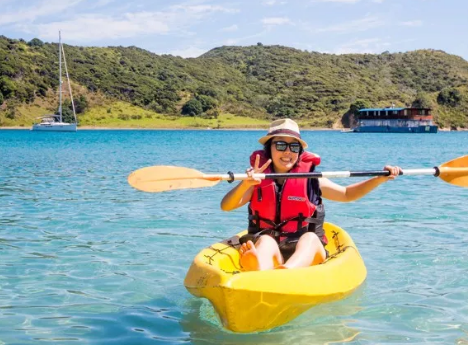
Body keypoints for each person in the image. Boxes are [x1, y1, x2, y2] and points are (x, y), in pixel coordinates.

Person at [221, 118, 402, 271]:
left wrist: (378, 179)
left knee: (310, 238)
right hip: (273, 246)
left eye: (294, 147)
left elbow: (347, 194)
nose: (287, 152)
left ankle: (286, 273)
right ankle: (260, 268)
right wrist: (245, 184)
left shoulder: (312, 179)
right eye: (281, 145)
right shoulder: (256, 181)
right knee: (266, 241)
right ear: (269, 149)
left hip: (305, 248)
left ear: (300, 152)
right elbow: (226, 206)